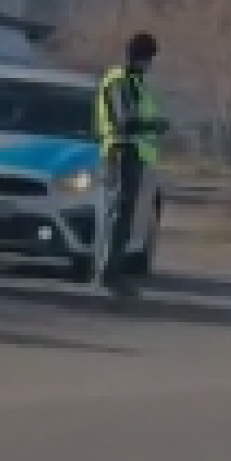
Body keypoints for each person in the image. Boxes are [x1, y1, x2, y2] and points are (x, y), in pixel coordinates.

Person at [94, 31, 168, 289]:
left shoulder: (134, 82)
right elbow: (124, 121)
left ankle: (112, 271)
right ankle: (107, 272)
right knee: (117, 215)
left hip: (131, 155)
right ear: (140, 57)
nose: (151, 65)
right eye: (149, 59)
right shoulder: (120, 81)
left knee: (124, 216)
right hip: (121, 152)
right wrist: (154, 125)